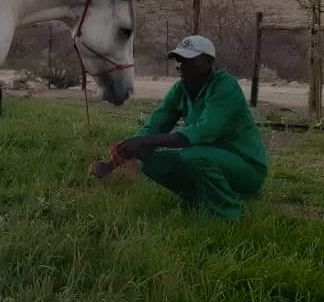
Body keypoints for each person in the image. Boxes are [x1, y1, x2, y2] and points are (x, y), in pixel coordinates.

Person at [91, 34, 267, 220]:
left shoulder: (224, 86)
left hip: (246, 169)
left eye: (188, 60)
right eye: (178, 60)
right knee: (149, 160)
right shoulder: (181, 89)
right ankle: (196, 201)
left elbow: (204, 131)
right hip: (209, 160)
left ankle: (227, 215)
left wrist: (144, 141)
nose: (180, 66)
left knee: (194, 157)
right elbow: (154, 126)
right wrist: (112, 164)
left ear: (208, 62)